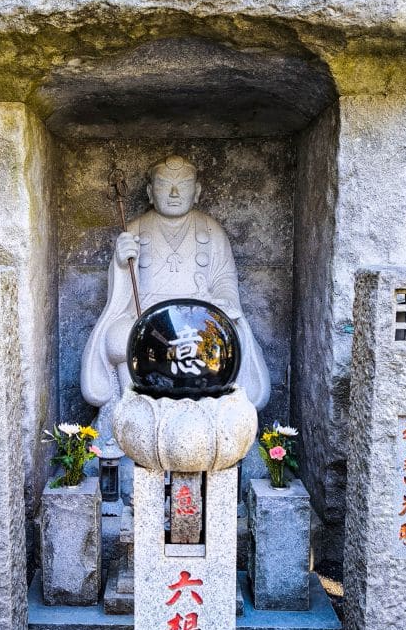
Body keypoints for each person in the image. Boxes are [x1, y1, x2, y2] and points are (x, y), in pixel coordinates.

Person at [81, 155, 270, 439]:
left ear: (197, 192)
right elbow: (119, 294)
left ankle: (214, 425)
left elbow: (224, 281)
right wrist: (121, 264)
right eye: (164, 185)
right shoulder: (135, 229)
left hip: (199, 319)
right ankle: (128, 417)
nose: (173, 193)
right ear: (149, 192)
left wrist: (224, 303)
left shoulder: (211, 230)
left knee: (232, 340)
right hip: (148, 320)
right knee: (119, 339)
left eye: (182, 186)